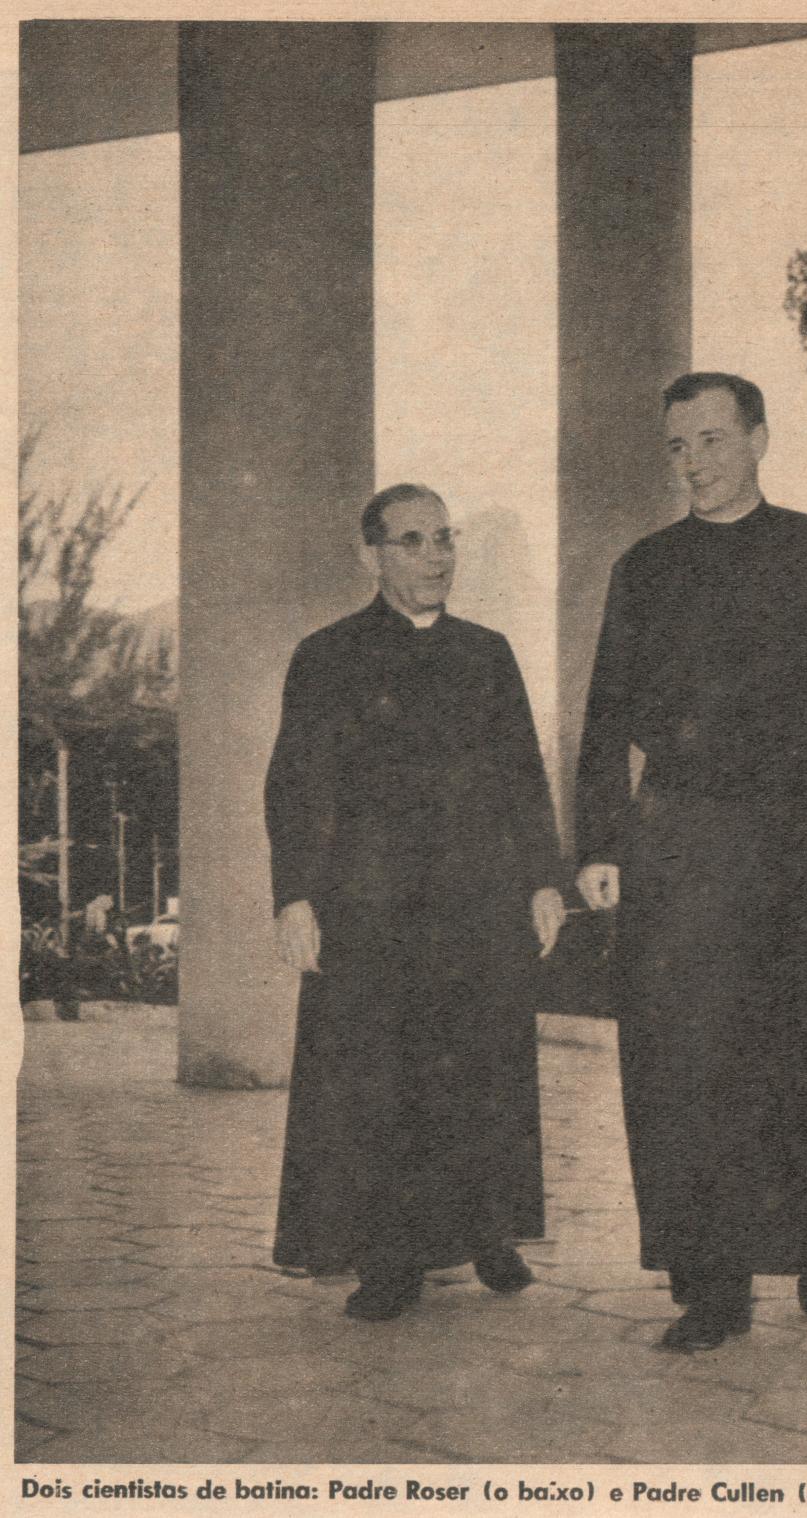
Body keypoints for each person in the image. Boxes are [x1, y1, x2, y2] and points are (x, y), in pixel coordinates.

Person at [575, 372, 807, 1352]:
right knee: (693, 1066)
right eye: (676, 446)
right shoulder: (644, 570)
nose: (692, 462)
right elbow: (606, 720)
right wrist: (599, 845)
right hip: (687, 841)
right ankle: (714, 1287)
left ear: (759, 439)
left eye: (711, 440)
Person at [265, 482, 566, 1321]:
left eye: (445, 538)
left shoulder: (488, 653)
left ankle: (488, 1232)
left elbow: (523, 776)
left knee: (480, 1076)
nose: (436, 557)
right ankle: (389, 1261)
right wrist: (296, 897)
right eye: (413, 541)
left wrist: (543, 878)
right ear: (370, 555)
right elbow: (295, 787)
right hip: (373, 912)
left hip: (479, 906)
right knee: (381, 1086)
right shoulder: (326, 656)